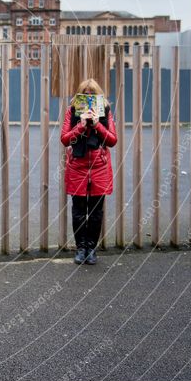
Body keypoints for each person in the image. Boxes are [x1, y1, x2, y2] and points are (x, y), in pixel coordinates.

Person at [59, 78, 117, 265]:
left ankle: (91, 249)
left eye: (93, 94)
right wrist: (81, 126)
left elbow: (112, 140)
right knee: (78, 211)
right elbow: (65, 139)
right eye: (86, 94)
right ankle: (81, 248)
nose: (90, 97)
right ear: (79, 96)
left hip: (99, 167)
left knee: (96, 212)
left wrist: (96, 125)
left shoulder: (105, 112)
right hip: (78, 166)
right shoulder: (73, 111)